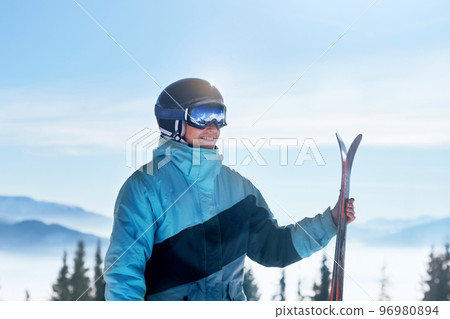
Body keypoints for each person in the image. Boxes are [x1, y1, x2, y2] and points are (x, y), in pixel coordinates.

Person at [104, 78, 356, 301]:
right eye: (203, 115)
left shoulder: (240, 189)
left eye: (219, 116)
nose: (213, 127)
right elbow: (124, 275)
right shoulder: (145, 188)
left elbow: (274, 248)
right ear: (174, 122)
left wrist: (331, 222)